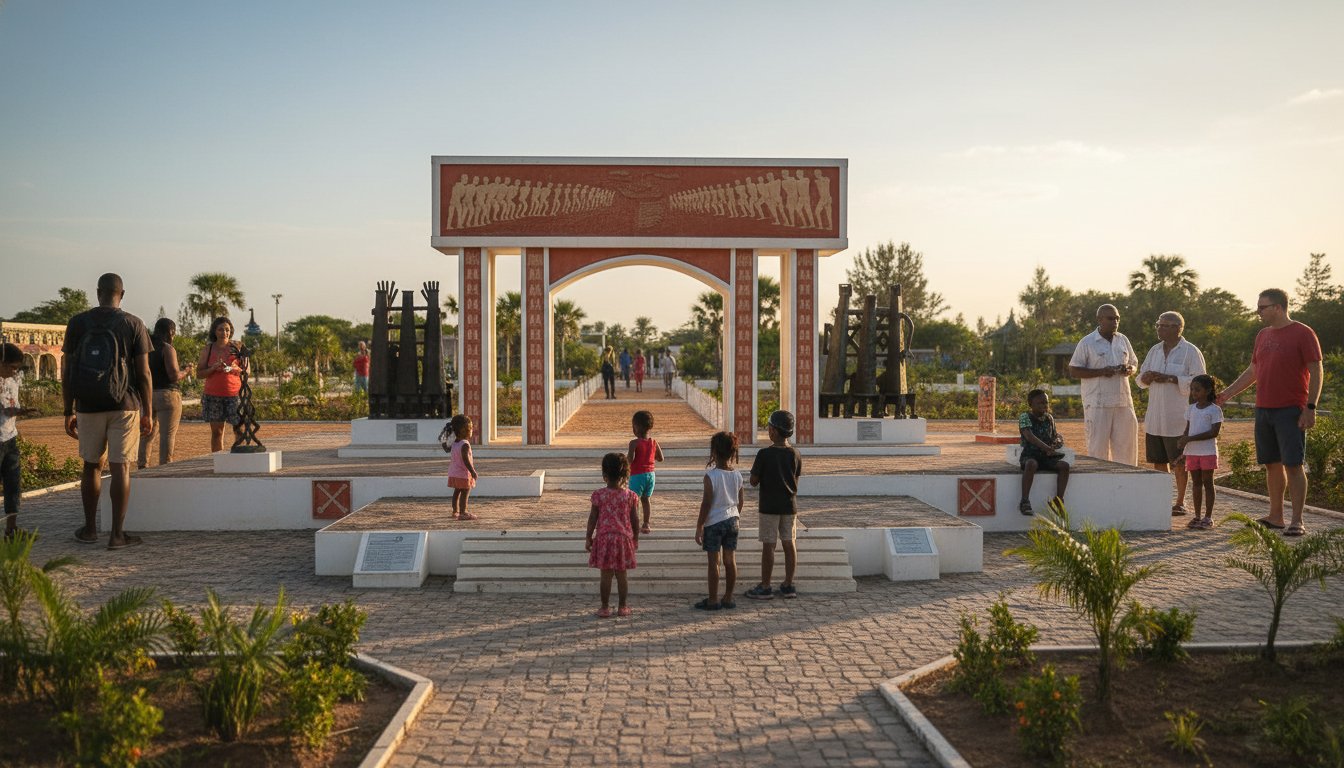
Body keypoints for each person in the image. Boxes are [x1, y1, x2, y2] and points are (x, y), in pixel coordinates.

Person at [1218, 288, 1324, 536]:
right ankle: (1276, 516)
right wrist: (1225, 394)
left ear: (1278, 307)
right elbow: (1253, 371)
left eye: (1262, 307)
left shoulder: (1303, 333)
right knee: (1272, 465)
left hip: (1291, 409)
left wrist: (1310, 407)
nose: (1258, 312)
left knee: (1294, 465)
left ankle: (1297, 520)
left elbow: (1317, 371)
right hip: (1264, 408)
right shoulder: (1262, 335)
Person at [61, 273, 153, 550]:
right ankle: (116, 535)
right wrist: (148, 410)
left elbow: (66, 371)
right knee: (120, 466)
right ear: (121, 294)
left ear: (97, 291)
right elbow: (144, 373)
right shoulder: (133, 324)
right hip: (124, 405)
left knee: (91, 465)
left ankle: (89, 530)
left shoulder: (77, 323)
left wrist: (68, 410)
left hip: (88, 405)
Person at [1136, 311, 1207, 515]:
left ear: (1177, 328)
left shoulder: (1190, 352)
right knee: (1159, 460)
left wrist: (1171, 378)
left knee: (1179, 462)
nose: (1159, 328)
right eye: (1158, 324)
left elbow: (1200, 382)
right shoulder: (1154, 350)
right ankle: (1162, 498)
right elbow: (1140, 379)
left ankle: (1180, 501)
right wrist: (1147, 377)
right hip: (1156, 417)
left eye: (1164, 325)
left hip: (1178, 417)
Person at [1068, 303, 1139, 465]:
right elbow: (1073, 370)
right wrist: (1101, 372)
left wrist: (1129, 369)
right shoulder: (1087, 342)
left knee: (1126, 450)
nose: (1115, 322)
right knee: (1098, 452)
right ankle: (1100, 486)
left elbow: (1134, 362)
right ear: (1100, 319)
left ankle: (1125, 485)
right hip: (1098, 404)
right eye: (1110, 318)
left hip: (1123, 403)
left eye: (1117, 318)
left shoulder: (1123, 340)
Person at [746, 410, 801, 600]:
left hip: (769, 506)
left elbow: (753, 480)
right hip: (789, 505)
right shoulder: (795, 454)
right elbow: (796, 480)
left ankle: (766, 585)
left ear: (775, 432)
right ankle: (788, 584)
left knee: (769, 546)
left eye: (769, 427)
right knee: (789, 544)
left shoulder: (764, 454)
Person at [585, 452, 639, 618]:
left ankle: (604, 607)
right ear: (625, 474)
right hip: (623, 539)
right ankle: (623, 606)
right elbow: (635, 519)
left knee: (606, 575)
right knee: (622, 574)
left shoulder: (599, 495)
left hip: (604, 538)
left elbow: (593, 517)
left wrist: (588, 536)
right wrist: (635, 537)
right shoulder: (630, 496)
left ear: (604, 475)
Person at [694, 431, 743, 610]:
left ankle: (713, 599)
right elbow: (741, 500)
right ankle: (728, 597)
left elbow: (706, 503)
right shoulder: (737, 475)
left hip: (714, 522)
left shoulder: (711, 477)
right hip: (732, 520)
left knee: (714, 562)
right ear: (733, 452)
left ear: (714, 451)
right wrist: (735, 515)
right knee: (730, 560)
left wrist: (699, 525)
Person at [137, 318, 191, 469]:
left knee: (147, 432)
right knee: (167, 435)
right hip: (167, 395)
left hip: (148, 395)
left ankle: (142, 465)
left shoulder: (145, 348)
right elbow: (173, 375)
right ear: (170, 332)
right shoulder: (167, 348)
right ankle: (165, 466)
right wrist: (186, 371)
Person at [1, 343, 37, 539]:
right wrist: (21, 411)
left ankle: (11, 528)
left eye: (16, 368)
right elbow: (6, 410)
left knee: (13, 484)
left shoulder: (13, 382)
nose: (14, 371)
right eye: (11, 367)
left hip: (10, 438)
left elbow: (11, 409)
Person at [1178, 374, 1223, 530]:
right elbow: (1187, 430)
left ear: (1208, 390)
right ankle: (1197, 516)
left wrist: (1190, 439)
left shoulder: (1215, 410)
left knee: (1208, 483)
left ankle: (1208, 517)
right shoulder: (1191, 409)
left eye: (1197, 390)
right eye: (1192, 390)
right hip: (1192, 453)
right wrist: (1184, 445)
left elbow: (1213, 432)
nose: (1194, 393)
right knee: (1196, 483)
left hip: (1208, 452)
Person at [196, 317, 245, 453]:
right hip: (213, 395)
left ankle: (239, 457)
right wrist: (212, 368)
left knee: (239, 429)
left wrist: (234, 368)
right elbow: (199, 373)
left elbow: (247, 371)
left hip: (234, 394)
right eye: (221, 329)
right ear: (215, 331)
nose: (224, 332)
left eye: (227, 329)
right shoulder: (208, 349)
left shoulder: (238, 347)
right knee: (217, 432)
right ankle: (218, 458)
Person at [1017, 389, 1070, 515]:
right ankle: (1025, 501)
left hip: (1046, 457)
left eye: (1045, 403)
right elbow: (1029, 436)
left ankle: (1058, 501)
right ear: (1031, 404)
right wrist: (1046, 448)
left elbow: (1055, 435)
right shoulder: (1025, 417)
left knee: (1064, 466)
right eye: (1039, 403)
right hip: (1031, 454)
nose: (1044, 406)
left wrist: (1057, 442)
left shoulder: (1049, 418)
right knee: (1031, 464)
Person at [627, 410, 664, 533]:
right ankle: (646, 524)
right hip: (651, 475)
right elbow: (661, 458)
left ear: (636, 427)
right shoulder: (654, 442)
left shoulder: (634, 443)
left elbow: (630, 460)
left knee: (634, 500)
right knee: (646, 500)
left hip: (637, 476)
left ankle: (634, 524)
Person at [442, 414, 479, 521]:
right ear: (464, 430)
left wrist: (445, 436)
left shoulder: (453, 443)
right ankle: (463, 512)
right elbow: (465, 459)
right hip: (463, 473)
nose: (472, 430)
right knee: (465, 492)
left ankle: (455, 511)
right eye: (470, 428)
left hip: (454, 472)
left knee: (457, 492)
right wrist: (472, 471)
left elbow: (445, 447)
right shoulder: (465, 444)